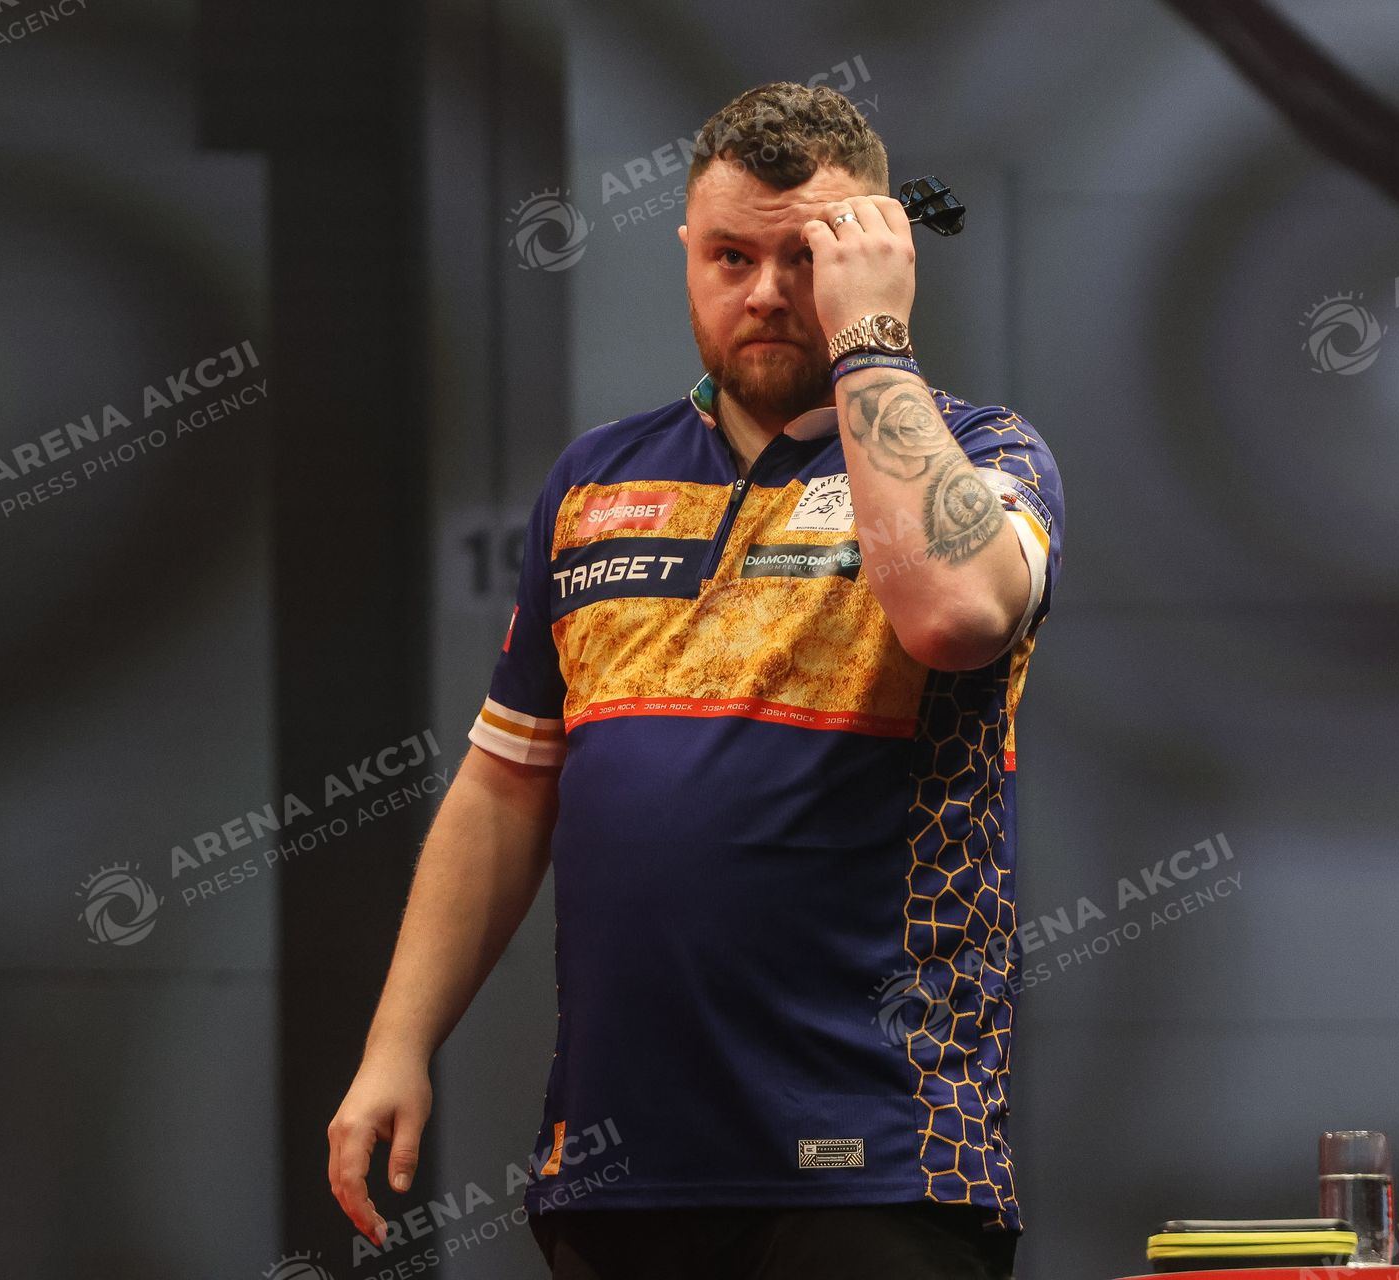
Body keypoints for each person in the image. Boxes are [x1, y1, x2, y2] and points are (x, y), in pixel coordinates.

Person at [328, 80, 1065, 1279]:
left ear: (878, 254)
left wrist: (872, 343)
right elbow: (506, 786)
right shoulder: (592, 480)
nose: (765, 292)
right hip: (623, 1170)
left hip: (881, 1155)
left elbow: (957, 613)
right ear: (686, 252)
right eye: (731, 256)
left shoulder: (986, 455)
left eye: (805, 259)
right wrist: (397, 1043)